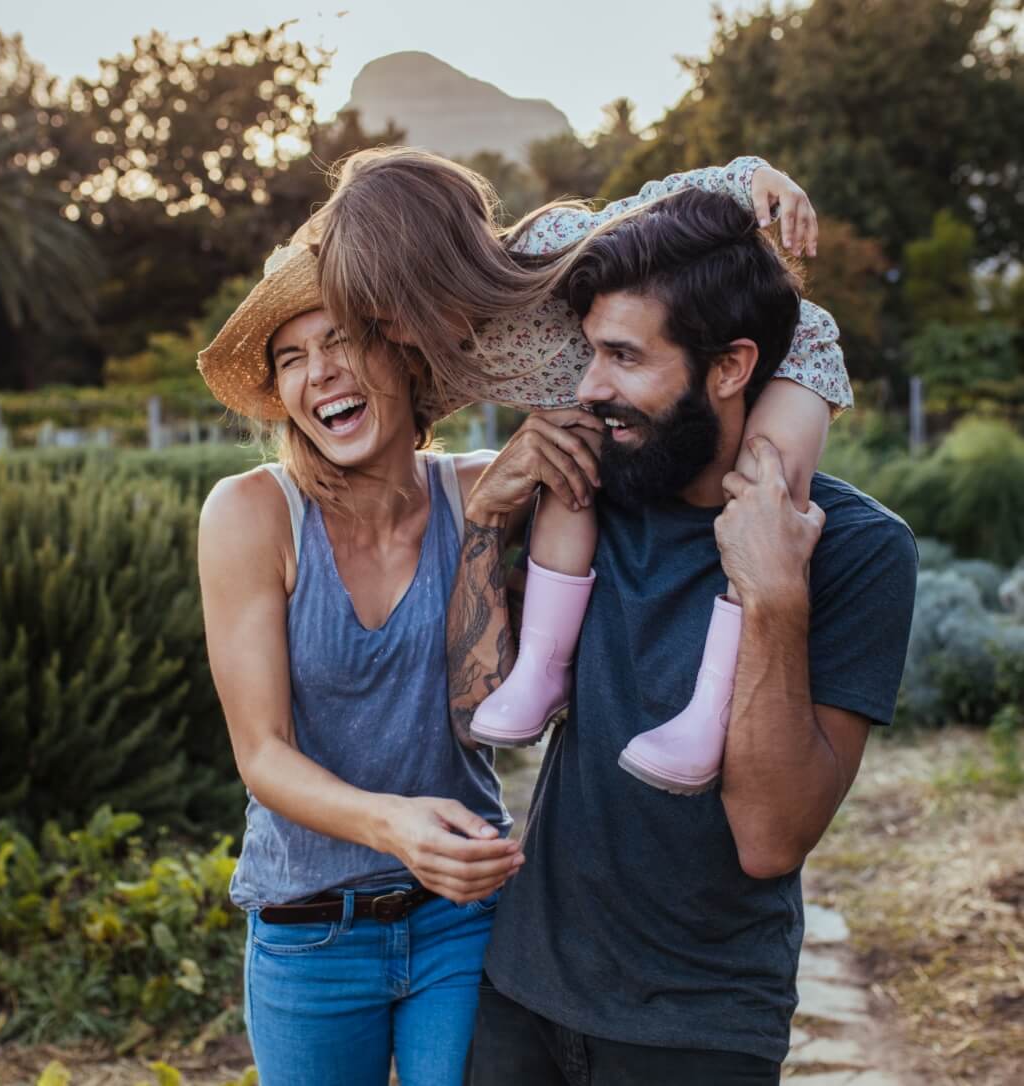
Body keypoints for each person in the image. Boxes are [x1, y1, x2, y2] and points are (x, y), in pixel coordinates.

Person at [447, 188, 918, 1085]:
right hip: (522, 991)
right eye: (592, 351)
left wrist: (773, 592)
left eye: (625, 356)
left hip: (700, 1028)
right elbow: (473, 704)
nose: (591, 386)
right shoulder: (595, 492)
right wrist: (483, 522)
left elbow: (771, 840)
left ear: (731, 367)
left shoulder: (860, 552)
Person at [309, 147, 852, 791]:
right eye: (375, 321)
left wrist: (753, 179)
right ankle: (542, 666)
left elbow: (658, 202)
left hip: (787, 350)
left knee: (767, 491)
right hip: (617, 405)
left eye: (394, 311)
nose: (393, 333)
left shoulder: (549, 247)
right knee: (565, 473)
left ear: (441, 269)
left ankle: (712, 710)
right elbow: (394, 407)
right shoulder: (447, 347)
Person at [196, 245, 535, 1086]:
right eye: (292, 357)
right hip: (310, 931)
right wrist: (393, 825)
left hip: (462, 915)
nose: (320, 374)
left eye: (342, 339)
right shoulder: (252, 514)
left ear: (402, 351)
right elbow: (262, 753)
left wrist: (732, 187)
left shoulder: (483, 491)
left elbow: (592, 340)